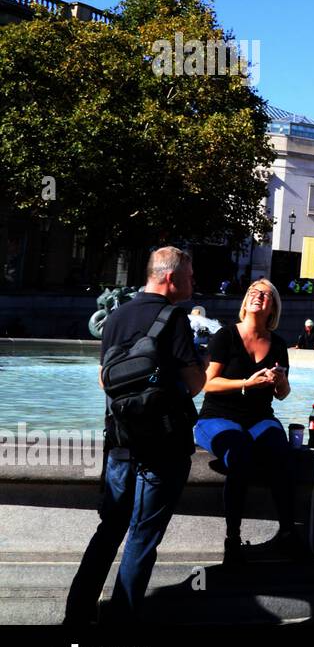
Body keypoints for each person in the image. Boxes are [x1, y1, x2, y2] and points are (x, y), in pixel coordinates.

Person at [65, 248, 205, 624]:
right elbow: (194, 384)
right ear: (171, 278)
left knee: (109, 529)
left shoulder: (115, 316)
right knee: (143, 536)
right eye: (190, 277)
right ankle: (121, 619)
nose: (193, 283)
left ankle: (76, 614)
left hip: (121, 442)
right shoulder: (174, 318)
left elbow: (103, 380)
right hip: (165, 445)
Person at [195, 279, 308, 564]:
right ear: (246, 302)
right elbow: (207, 384)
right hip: (218, 416)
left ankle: (286, 532)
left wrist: (281, 382)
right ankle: (233, 538)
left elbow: (282, 394)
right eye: (254, 293)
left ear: (273, 307)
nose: (259, 297)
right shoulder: (225, 336)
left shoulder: (278, 344)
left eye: (266, 295)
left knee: (281, 453)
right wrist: (246, 383)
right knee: (241, 452)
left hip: (259, 418)